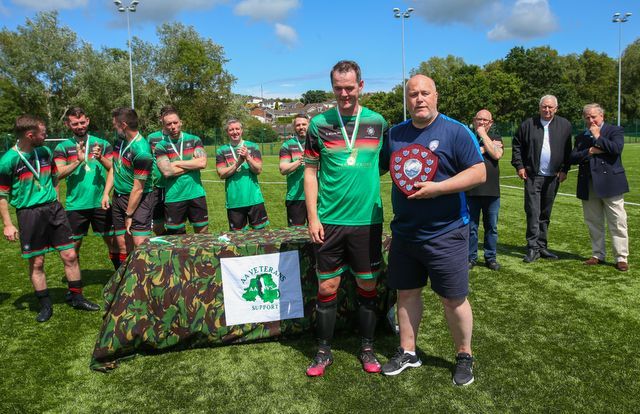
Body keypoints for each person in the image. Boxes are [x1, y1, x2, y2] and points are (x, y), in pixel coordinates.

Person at [379, 75, 485, 386]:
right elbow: (379, 167)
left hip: (446, 231)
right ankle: (408, 351)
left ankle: (464, 355)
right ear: (407, 99)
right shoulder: (395, 134)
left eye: (425, 93)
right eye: (413, 94)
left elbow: (478, 172)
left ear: (435, 96)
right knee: (407, 293)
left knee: (453, 298)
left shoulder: (455, 131)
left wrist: (439, 189)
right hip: (405, 232)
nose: (419, 99)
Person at [303, 60, 388, 377]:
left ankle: (367, 347)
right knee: (328, 286)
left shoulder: (377, 122)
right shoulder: (318, 124)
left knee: (368, 283)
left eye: (350, 87)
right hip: (330, 219)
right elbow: (309, 172)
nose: (344, 93)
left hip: (367, 220)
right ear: (332, 88)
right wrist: (312, 217)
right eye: (338, 88)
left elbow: (386, 164)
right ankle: (323, 351)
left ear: (361, 86)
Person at [0, 115, 100, 322]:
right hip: (29, 214)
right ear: (30, 135)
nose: (46, 136)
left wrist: (58, 196)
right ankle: (45, 305)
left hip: (54, 209)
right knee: (37, 262)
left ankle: (77, 297)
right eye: (43, 133)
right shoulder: (8, 161)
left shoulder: (45, 152)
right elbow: (2, 195)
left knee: (70, 255)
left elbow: (55, 177)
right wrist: (8, 224)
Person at [54, 107, 119, 270]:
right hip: (75, 205)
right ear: (68, 124)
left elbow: (113, 168)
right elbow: (58, 174)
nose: (79, 126)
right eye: (75, 123)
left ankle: (121, 280)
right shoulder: (62, 147)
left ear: (88, 121)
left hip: (100, 202)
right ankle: (74, 289)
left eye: (82, 122)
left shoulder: (102, 144)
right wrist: (77, 161)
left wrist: (100, 157)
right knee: (72, 249)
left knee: (114, 243)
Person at [511, 95, 572, 263]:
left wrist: (565, 169)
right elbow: (517, 146)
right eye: (544, 107)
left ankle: (542, 246)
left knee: (545, 212)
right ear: (539, 108)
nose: (547, 110)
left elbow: (568, 150)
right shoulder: (527, 124)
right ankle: (532, 248)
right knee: (533, 211)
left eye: (550, 107)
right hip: (532, 176)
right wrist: (520, 166)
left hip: (553, 177)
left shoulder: (565, 125)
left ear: (556, 109)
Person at [569, 103, 629, 271]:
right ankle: (597, 254)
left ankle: (621, 257)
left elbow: (616, 149)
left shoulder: (614, 131)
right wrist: (590, 151)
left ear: (602, 116)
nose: (591, 120)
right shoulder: (581, 137)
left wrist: (598, 137)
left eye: (594, 116)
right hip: (588, 185)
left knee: (617, 221)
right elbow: (573, 158)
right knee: (593, 222)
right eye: (587, 117)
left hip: (611, 183)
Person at [107, 108, 154, 261]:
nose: (114, 127)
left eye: (115, 124)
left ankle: (145, 282)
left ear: (124, 124)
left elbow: (139, 188)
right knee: (122, 244)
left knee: (140, 244)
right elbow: (115, 168)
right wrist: (106, 192)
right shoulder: (119, 142)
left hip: (139, 200)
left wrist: (129, 215)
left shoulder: (142, 150)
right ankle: (124, 282)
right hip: (118, 198)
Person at [154, 107, 209, 234]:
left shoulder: (194, 139)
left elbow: (202, 162)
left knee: (203, 235)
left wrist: (177, 163)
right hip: (174, 197)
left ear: (181, 122)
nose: (172, 126)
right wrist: (192, 165)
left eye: (175, 122)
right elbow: (167, 172)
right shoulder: (161, 146)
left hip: (196, 194)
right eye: (168, 124)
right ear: (164, 125)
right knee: (176, 238)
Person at [466, 109, 504, 271]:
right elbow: (465, 155)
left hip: (492, 191)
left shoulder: (496, 138)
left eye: (485, 120)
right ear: (474, 121)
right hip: (470, 190)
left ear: (491, 123)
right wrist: (484, 149)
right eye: (478, 119)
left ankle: (490, 257)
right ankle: (470, 257)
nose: (481, 122)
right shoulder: (467, 137)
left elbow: (496, 155)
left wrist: (484, 137)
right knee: (471, 227)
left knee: (491, 227)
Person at [215, 119, 269, 231]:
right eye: (231, 130)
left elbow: (258, 170)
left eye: (237, 129)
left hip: (254, 199)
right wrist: (239, 162)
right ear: (227, 132)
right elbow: (222, 174)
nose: (235, 132)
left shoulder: (253, 147)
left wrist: (248, 157)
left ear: (241, 130)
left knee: (261, 235)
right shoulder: (222, 150)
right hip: (234, 201)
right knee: (238, 239)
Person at [279, 114, 308, 227]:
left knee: (320, 234)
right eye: (298, 125)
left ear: (309, 125)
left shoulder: (317, 143)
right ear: (294, 128)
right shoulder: (287, 145)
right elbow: (283, 168)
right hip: (296, 196)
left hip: (318, 195)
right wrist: (299, 161)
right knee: (296, 236)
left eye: (304, 124)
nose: (301, 127)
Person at [146, 116, 169, 236]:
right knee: (157, 227)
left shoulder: (177, 137)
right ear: (161, 120)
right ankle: (167, 241)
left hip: (174, 185)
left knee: (176, 224)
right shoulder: (152, 137)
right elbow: (148, 159)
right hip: (157, 186)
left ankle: (177, 250)